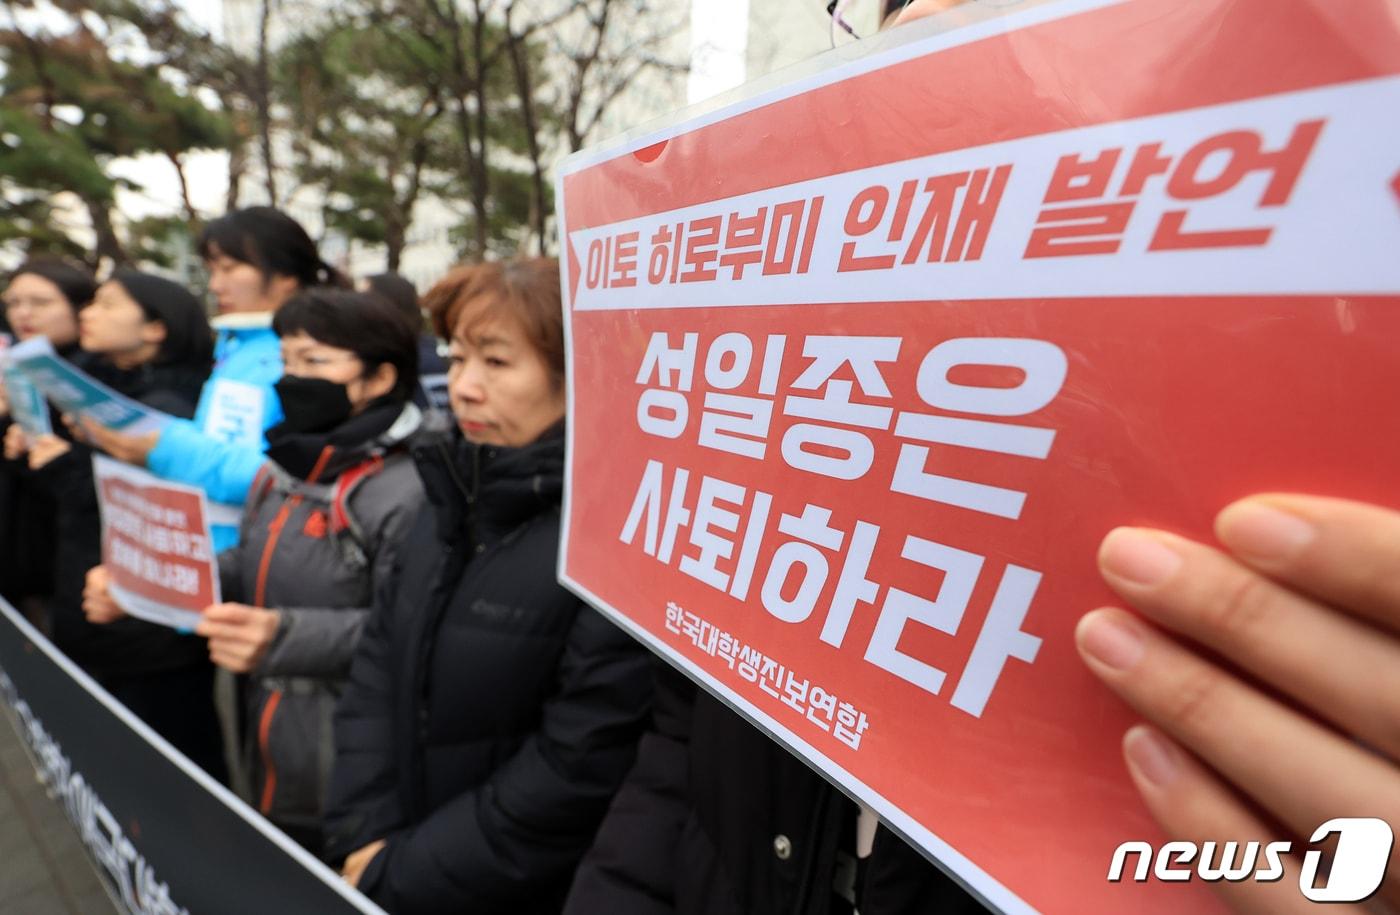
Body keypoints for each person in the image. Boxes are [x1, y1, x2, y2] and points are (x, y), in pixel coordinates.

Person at [322, 258, 653, 914]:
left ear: (581, 376)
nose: (464, 386)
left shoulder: (613, 542)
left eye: (497, 363)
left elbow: (575, 769)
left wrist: (406, 870)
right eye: (458, 355)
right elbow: (376, 673)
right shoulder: (449, 491)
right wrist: (366, 831)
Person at [84, 288, 428, 855]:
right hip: (267, 730)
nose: (292, 379)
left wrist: (283, 637)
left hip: (353, 751)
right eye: (287, 361)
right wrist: (143, 582)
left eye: (314, 362)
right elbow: (248, 561)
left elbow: (412, 629)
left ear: (379, 378)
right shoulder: (284, 464)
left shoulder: (408, 490)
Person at [3, 270, 226, 779]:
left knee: (173, 764)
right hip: (92, 601)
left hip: (148, 622)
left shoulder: (178, 405)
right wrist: (29, 451)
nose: (88, 313)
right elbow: (65, 500)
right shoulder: (95, 383)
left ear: (156, 327)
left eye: (105, 304)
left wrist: (60, 461)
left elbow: (130, 509)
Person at [78, 207, 345, 550]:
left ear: (285, 275)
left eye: (230, 268)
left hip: (267, 555)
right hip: (214, 552)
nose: (217, 285)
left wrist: (162, 446)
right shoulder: (234, 346)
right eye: (212, 270)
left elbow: (295, 473)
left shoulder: (317, 353)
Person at [0, 258, 98, 617]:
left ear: (81, 308)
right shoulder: (16, 366)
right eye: (13, 303)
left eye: (40, 303)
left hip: (67, 575)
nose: (24, 313)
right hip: (18, 561)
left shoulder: (93, 381)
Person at [360, 272, 451, 414]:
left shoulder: (423, 358)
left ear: (390, 303)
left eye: (364, 299)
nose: (356, 305)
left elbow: (439, 418)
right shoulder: (373, 352)